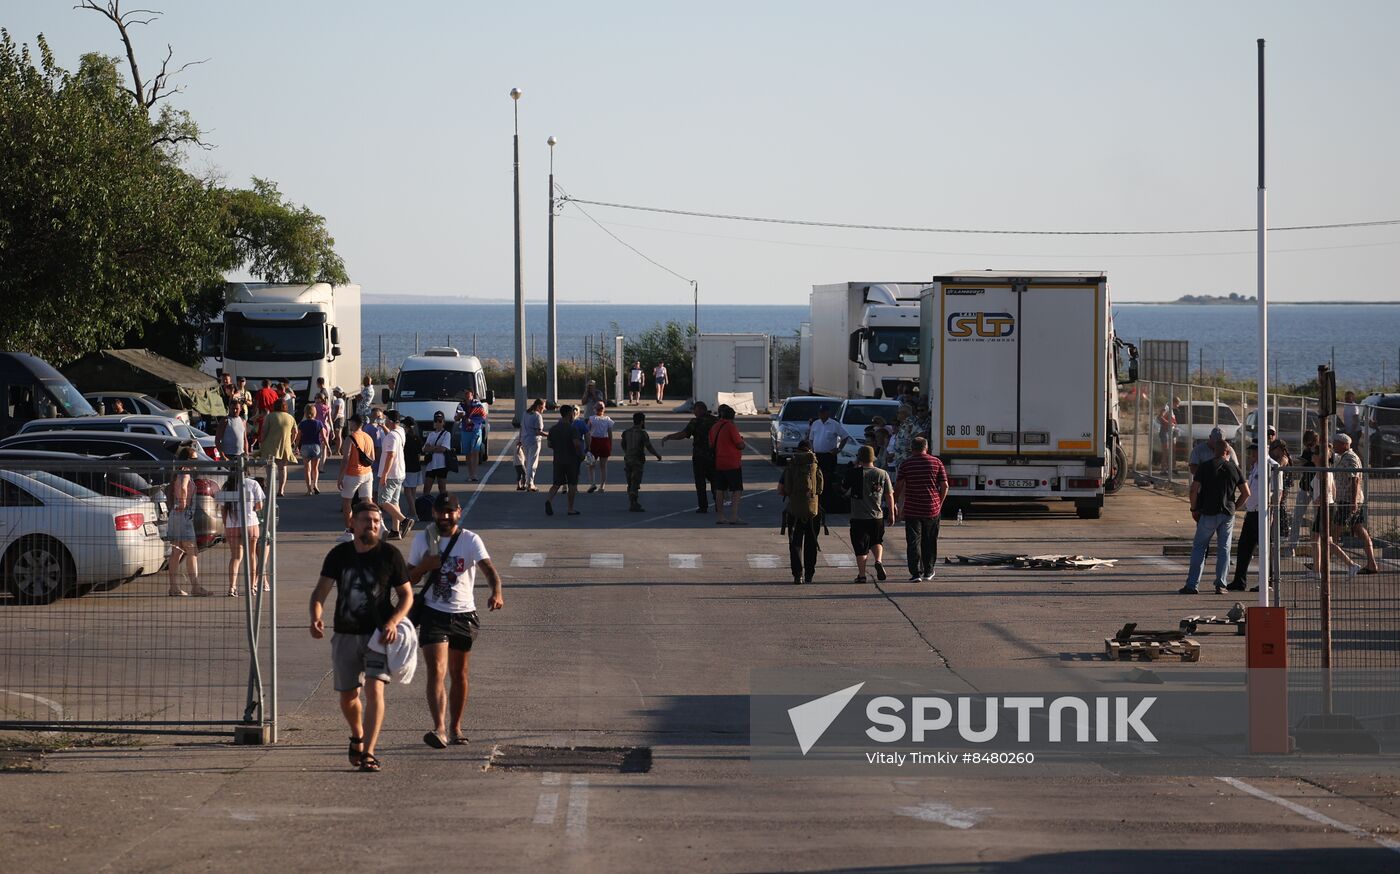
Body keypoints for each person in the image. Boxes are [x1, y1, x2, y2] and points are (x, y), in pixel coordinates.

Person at [309, 500, 413, 773]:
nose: (373, 526)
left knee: (374, 689)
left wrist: (393, 621)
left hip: (379, 636)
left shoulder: (390, 555)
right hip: (345, 634)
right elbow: (320, 592)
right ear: (353, 523)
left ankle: (369, 752)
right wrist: (315, 616)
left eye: (377, 522)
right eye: (367, 521)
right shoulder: (339, 555)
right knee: (348, 696)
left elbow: (406, 596)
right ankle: (357, 734)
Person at [407, 493, 504, 748]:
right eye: (440, 512)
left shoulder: (470, 540)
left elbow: (489, 570)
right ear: (434, 513)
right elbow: (408, 580)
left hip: (464, 615)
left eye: (450, 512)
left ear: (458, 512)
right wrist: (424, 565)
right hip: (433, 613)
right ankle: (439, 728)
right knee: (436, 671)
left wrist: (496, 592)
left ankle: (455, 727)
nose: (445, 517)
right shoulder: (423, 540)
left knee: (459, 673)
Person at [1180, 427, 1249, 595]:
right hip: (1227, 513)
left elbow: (1193, 490)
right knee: (1224, 549)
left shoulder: (1204, 467)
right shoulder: (1234, 468)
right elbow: (1246, 492)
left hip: (1207, 512)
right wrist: (1235, 507)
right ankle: (1221, 584)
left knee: (1199, 548)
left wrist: (1194, 508)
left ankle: (1192, 585)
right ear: (1227, 452)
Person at [894, 436, 948, 582]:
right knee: (929, 541)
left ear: (912, 449)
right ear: (926, 448)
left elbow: (898, 486)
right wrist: (940, 502)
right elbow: (945, 486)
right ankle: (929, 571)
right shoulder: (936, 462)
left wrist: (895, 504)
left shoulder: (906, 464)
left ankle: (915, 573)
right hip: (932, 508)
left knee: (913, 541)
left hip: (912, 509)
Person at [1227, 443, 1278, 592]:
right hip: (1252, 512)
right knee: (1244, 547)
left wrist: (1272, 511)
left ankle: (1267, 582)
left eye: (1254, 452)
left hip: (1264, 513)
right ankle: (1239, 581)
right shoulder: (1256, 466)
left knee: (1265, 550)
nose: (1252, 455)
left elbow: (1277, 492)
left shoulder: (1271, 465)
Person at [166, 445, 212, 597]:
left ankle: (174, 587)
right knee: (192, 551)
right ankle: (195, 586)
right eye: (193, 458)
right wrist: (184, 502)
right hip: (184, 515)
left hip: (175, 514)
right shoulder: (185, 473)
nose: (196, 461)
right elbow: (184, 488)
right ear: (186, 460)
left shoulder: (176, 474)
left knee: (176, 552)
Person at [1332, 433, 1380, 574]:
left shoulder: (1351, 458)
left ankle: (1323, 564)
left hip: (1348, 502)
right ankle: (1372, 564)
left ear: (1344, 444)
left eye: (1336, 443)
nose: (1334, 445)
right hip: (1347, 501)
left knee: (1334, 533)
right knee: (1359, 530)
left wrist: (1353, 502)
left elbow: (1355, 480)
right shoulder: (1344, 457)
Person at [849, 444, 896, 584]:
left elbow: (844, 489)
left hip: (858, 516)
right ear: (873, 458)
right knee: (877, 541)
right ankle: (878, 560)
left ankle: (862, 575)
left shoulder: (854, 473)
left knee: (860, 547)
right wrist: (892, 513)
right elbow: (889, 495)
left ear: (859, 458)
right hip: (877, 516)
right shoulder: (882, 473)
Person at [778, 440, 823, 584]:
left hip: (794, 509)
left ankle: (798, 575)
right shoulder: (815, 466)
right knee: (811, 542)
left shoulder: (791, 466)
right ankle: (810, 574)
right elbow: (820, 489)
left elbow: (781, 490)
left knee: (795, 543)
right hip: (813, 510)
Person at [662, 402, 718, 513]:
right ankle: (718, 504)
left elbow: (683, 434)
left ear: (701, 409)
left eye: (695, 410)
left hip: (699, 457)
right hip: (713, 456)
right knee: (715, 482)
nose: (694, 412)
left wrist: (669, 437)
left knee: (700, 483)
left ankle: (703, 506)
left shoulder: (695, 422)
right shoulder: (715, 421)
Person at [223, 471, 267, 596]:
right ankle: (252, 586)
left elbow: (223, 509)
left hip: (232, 524)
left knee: (236, 557)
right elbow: (259, 505)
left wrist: (226, 526)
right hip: (250, 523)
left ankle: (232, 587)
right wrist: (251, 508)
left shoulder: (227, 486)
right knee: (252, 556)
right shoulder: (253, 483)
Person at [336, 414, 376, 541]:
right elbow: (373, 457)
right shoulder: (368, 437)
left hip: (353, 474)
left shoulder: (350, 438)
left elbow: (346, 459)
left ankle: (349, 531)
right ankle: (377, 526)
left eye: (351, 422)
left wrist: (340, 476)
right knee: (368, 501)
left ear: (354, 423)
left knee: (347, 502)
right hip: (367, 473)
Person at [709, 403, 747, 524]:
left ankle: (720, 516)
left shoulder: (714, 427)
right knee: (736, 490)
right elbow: (740, 445)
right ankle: (734, 516)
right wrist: (742, 440)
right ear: (733, 416)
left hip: (719, 462)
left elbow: (710, 445)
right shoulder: (731, 427)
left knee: (719, 489)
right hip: (732, 462)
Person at [545, 405, 584, 517]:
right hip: (571, 460)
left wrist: (559, 447)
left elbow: (549, 444)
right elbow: (576, 443)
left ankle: (549, 500)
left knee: (556, 483)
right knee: (572, 484)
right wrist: (581, 454)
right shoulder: (572, 429)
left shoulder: (553, 429)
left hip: (558, 459)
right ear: (569, 414)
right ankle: (570, 508)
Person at [378, 410, 412, 539]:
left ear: (390, 421)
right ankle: (395, 530)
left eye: (386, 419)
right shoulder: (400, 431)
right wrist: (385, 428)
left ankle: (404, 520)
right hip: (399, 472)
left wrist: (384, 475)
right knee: (394, 501)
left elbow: (391, 455)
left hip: (391, 474)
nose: (384, 420)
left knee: (383, 500)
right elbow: (392, 439)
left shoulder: (391, 436)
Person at [620, 411, 663, 512]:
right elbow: (649, 447)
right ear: (642, 422)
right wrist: (657, 455)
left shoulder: (626, 432)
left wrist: (627, 453)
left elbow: (623, 445)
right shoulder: (642, 433)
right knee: (635, 481)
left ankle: (632, 502)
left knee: (630, 482)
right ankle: (634, 503)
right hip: (637, 461)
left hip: (628, 459)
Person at [807, 406, 845, 510]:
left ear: (828, 413)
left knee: (827, 480)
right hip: (817, 455)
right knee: (816, 478)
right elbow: (810, 439)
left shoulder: (834, 424)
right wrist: (811, 451)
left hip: (829, 456)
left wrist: (838, 449)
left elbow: (845, 437)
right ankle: (817, 502)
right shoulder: (815, 424)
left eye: (823, 412)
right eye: (820, 412)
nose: (821, 414)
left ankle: (827, 503)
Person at [259, 398, 298, 498]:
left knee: (270, 470)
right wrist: (291, 441)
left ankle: (271, 489)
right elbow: (295, 432)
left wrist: (261, 442)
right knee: (282, 469)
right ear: (285, 407)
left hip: (270, 447)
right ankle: (281, 490)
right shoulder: (290, 418)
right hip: (285, 447)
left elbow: (264, 431)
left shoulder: (269, 417)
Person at [454, 389, 488, 483]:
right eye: (465, 394)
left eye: (469, 394)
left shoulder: (477, 404)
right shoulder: (461, 405)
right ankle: (470, 474)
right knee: (468, 453)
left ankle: (474, 474)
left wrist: (472, 421)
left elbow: (483, 416)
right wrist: (460, 416)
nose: (467, 396)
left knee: (475, 451)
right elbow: (456, 418)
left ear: (472, 395)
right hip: (465, 431)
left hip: (476, 430)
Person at [298, 403, 329, 495]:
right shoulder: (319, 423)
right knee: (315, 468)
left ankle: (309, 489)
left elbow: (298, 437)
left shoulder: (302, 424)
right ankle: (315, 484)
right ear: (314, 413)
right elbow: (323, 437)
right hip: (316, 446)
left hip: (305, 446)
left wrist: (295, 447)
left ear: (305, 413)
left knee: (307, 469)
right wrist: (328, 447)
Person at [585, 401, 616, 493]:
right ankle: (602, 485)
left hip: (593, 442)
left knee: (591, 464)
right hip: (604, 442)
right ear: (604, 409)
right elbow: (610, 434)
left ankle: (593, 483)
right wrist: (610, 445)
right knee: (603, 466)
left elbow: (587, 432)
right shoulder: (608, 419)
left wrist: (587, 445)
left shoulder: (591, 418)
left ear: (594, 409)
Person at [421, 411, 454, 497]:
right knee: (426, 489)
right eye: (436, 421)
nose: (437, 423)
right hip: (431, 465)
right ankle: (426, 505)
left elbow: (443, 449)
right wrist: (436, 447)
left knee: (442, 489)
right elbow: (424, 448)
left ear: (443, 422)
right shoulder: (431, 434)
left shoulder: (447, 434)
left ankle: (443, 506)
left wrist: (431, 448)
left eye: (440, 421)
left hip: (441, 465)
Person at [520, 398, 545, 492]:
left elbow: (521, 427)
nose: (544, 409)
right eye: (543, 407)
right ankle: (530, 483)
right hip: (534, 441)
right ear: (539, 406)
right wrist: (549, 435)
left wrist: (519, 439)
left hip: (525, 440)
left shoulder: (525, 413)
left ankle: (528, 482)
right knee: (533, 463)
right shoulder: (537, 416)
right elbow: (538, 431)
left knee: (528, 462)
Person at [402, 417, 425, 511]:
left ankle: (413, 511)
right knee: (413, 491)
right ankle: (413, 509)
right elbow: (420, 453)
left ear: (406, 426)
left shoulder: (405, 438)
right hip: (416, 466)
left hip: (407, 467)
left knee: (407, 491)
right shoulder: (417, 437)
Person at [1157, 397, 1179, 475]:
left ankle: (1172, 468)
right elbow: (1159, 417)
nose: (1178, 406)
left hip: (1170, 432)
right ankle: (1163, 469)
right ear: (1173, 402)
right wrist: (1169, 423)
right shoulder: (1166, 407)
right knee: (1165, 451)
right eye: (1177, 404)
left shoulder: (1170, 409)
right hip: (1165, 431)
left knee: (1171, 450)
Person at [329, 387, 347, 454]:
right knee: (339, 435)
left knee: (338, 435)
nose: (333, 393)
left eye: (335, 391)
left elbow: (337, 411)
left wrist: (333, 419)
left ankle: (337, 451)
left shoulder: (338, 400)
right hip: (339, 418)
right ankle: (342, 450)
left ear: (338, 393)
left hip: (338, 419)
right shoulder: (339, 400)